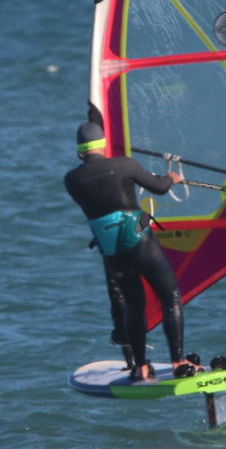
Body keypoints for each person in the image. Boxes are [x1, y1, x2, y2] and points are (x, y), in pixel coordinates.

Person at [64, 118, 202, 382]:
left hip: (112, 250)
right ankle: (178, 361)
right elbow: (159, 188)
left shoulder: (72, 179)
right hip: (140, 240)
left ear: (80, 150)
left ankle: (141, 367)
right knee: (170, 296)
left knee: (134, 306)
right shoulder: (124, 164)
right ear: (103, 144)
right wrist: (171, 178)